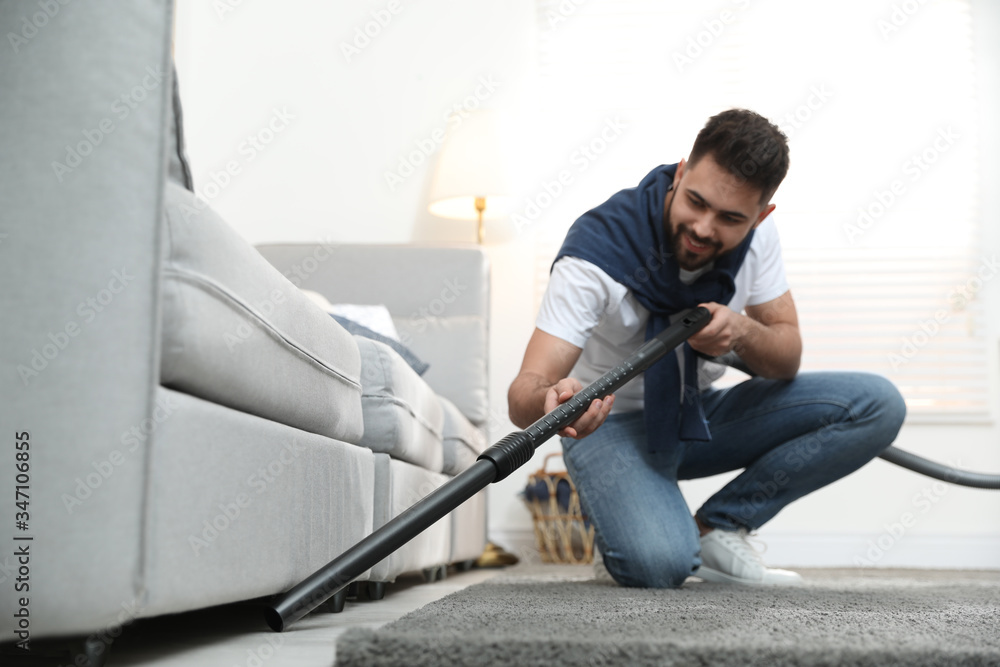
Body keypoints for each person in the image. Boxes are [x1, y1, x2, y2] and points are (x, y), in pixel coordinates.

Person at [507, 109, 906, 587]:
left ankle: (716, 527)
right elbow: (522, 395)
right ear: (680, 174)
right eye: (695, 201)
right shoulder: (594, 256)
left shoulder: (759, 240)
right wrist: (556, 403)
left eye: (730, 218)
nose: (702, 227)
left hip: (699, 419)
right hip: (612, 428)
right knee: (660, 566)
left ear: (761, 216)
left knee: (876, 405)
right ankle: (627, 530)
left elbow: (786, 357)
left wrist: (741, 332)